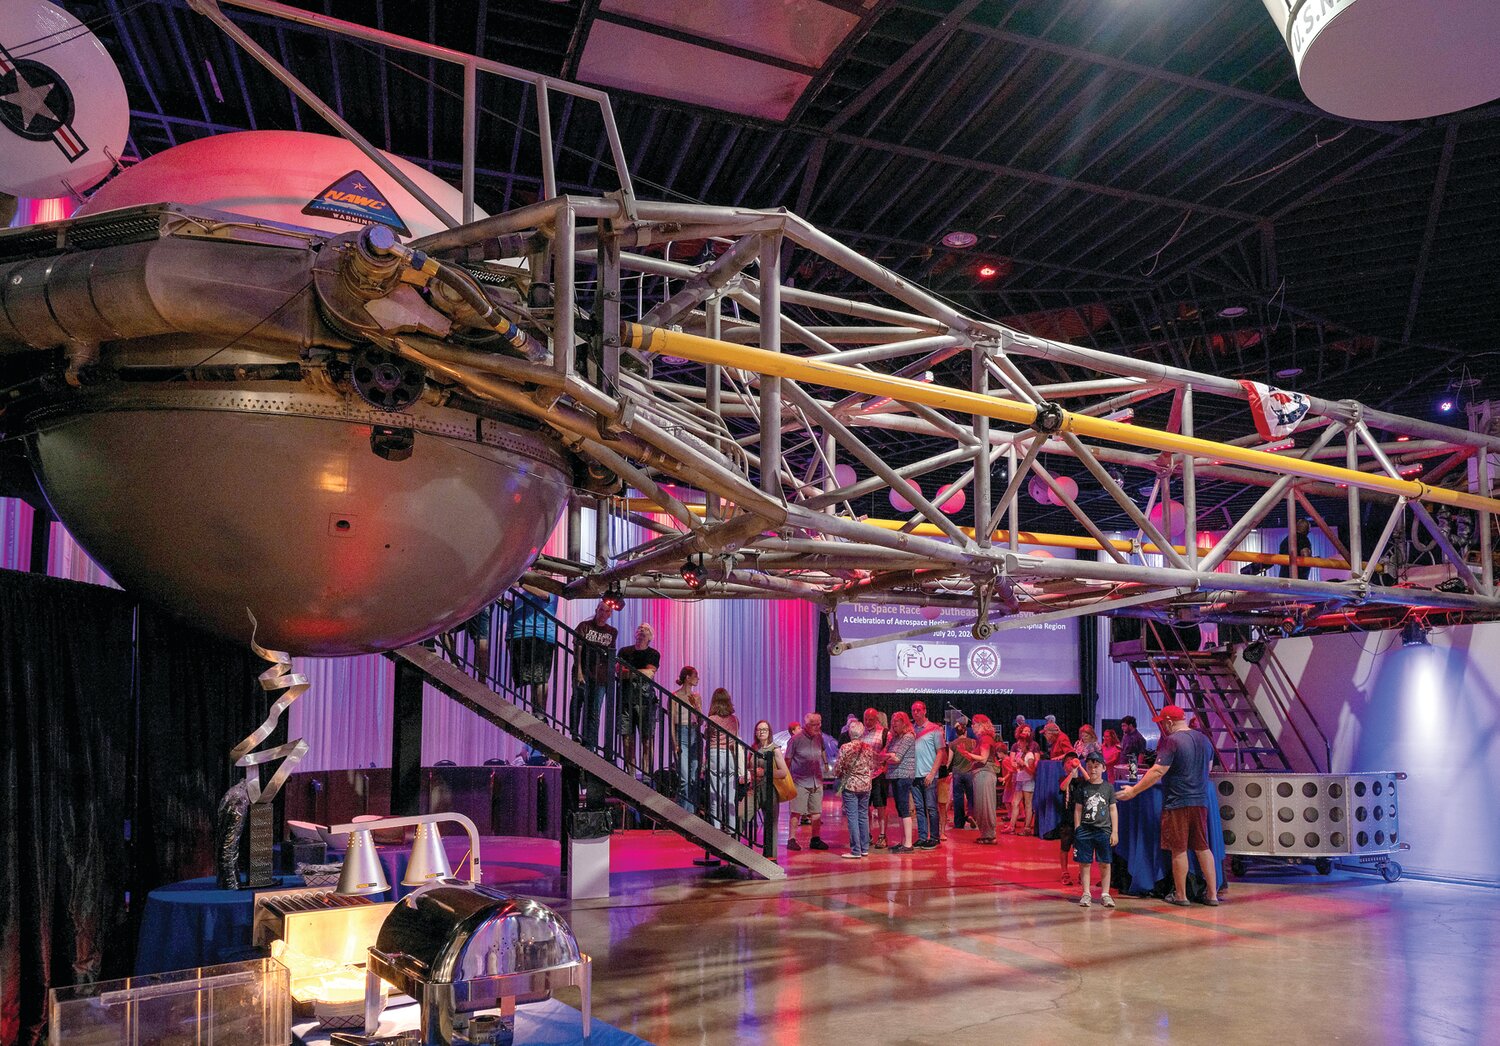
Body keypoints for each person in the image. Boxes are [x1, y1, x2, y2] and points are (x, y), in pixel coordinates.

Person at [1117, 704, 1220, 907]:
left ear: (1170, 722)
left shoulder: (1172, 741)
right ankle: (1212, 894)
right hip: (1200, 801)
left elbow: (1157, 771)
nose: (1162, 727)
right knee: (1203, 847)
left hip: (1177, 802)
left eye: (1163, 723)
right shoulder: (1205, 740)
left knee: (1178, 849)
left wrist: (1133, 790)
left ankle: (1181, 896)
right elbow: (1207, 769)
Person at [1072, 752, 1119, 908]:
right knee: (1084, 863)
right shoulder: (1082, 787)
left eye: (1096, 766)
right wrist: (1078, 828)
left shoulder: (1108, 788)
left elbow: (1113, 809)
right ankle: (1086, 893)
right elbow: (1078, 809)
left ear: (1104, 768)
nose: (1093, 770)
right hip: (1085, 830)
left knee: (1105, 862)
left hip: (1103, 831)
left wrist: (1114, 831)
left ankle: (1105, 894)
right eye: (1090, 767)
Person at [570, 601, 617, 750]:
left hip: (601, 677)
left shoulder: (612, 631)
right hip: (584, 672)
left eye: (607, 611)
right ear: (596, 610)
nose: (603, 614)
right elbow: (577, 650)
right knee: (578, 702)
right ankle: (575, 735)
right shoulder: (584, 626)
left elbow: (610, 655)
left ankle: (590, 743)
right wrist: (579, 673)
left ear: (610, 614)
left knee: (594, 710)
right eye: (601, 610)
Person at [616, 622, 661, 776]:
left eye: (646, 629)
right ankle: (631, 774)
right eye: (640, 628)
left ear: (650, 637)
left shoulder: (653, 654)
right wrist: (641, 673)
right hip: (625, 700)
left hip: (646, 701)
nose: (642, 630)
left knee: (647, 739)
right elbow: (619, 673)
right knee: (627, 738)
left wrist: (629, 672)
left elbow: (650, 674)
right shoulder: (624, 651)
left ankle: (647, 774)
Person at [507, 585, 558, 716]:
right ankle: (537, 711)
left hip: (538, 635)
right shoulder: (527, 593)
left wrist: (521, 583)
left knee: (540, 678)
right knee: (534, 678)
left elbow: (545, 595)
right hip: (523, 635)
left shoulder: (551, 588)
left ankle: (540, 712)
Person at [833, 721, 877, 859]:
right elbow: (871, 765)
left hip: (851, 785)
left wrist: (839, 774)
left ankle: (855, 850)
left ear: (850, 733)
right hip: (866, 785)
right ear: (862, 732)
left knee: (852, 817)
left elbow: (839, 767)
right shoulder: (868, 748)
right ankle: (864, 848)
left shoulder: (845, 747)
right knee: (863, 816)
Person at [785, 713, 829, 851]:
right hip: (800, 780)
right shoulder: (795, 740)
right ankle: (791, 839)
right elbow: (788, 760)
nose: (818, 727)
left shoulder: (819, 737)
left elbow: (822, 751)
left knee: (816, 811)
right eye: (815, 724)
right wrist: (787, 779)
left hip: (816, 780)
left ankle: (815, 839)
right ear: (807, 725)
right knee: (796, 811)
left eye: (819, 723)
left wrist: (826, 763)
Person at [703, 688, 744, 831]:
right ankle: (731, 829)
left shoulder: (711, 719)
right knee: (729, 796)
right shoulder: (734, 719)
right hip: (729, 755)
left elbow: (707, 737)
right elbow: (736, 738)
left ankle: (716, 828)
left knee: (715, 795)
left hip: (715, 754)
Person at [910, 701, 946, 849]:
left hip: (928, 775)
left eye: (918, 710)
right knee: (919, 808)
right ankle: (923, 836)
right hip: (914, 775)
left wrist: (932, 773)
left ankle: (935, 837)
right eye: (913, 710)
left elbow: (940, 752)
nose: (916, 713)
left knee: (931, 807)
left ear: (925, 711)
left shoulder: (935, 729)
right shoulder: (910, 730)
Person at [882, 712, 917, 853]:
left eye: (897, 721)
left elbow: (897, 758)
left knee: (904, 807)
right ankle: (903, 841)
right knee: (900, 809)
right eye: (893, 720)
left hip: (904, 775)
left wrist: (885, 758)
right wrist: (886, 756)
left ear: (904, 722)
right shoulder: (895, 738)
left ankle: (908, 844)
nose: (894, 723)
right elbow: (889, 753)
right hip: (894, 775)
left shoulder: (908, 737)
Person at [748, 719, 790, 834]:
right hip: (754, 789)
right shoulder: (753, 748)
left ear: (769, 732)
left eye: (764, 729)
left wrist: (765, 772)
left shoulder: (775, 749)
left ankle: (770, 852)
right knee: (742, 815)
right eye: (759, 729)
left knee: (771, 826)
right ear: (755, 732)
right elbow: (749, 767)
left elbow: (783, 772)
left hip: (770, 788)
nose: (762, 732)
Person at [670, 666, 702, 811]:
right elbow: (671, 722)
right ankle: (682, 813)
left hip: (695, 733)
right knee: (684, 777)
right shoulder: (675, 696)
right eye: (695, 676)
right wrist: (674, 743)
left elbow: (701, 721)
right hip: (681, 733)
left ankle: (691, 813)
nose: (698, 679)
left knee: (694, 777)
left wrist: (696, 707)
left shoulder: (697, 696)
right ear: (687, 678)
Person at [966, 715, 999, 844]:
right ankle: (986, 834)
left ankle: (989, 834)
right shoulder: (982, 739)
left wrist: (968, 754)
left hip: (984, 774)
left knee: (985, 805)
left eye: (974, 724)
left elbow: (984, 758)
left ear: (980, 725)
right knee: (982, 805)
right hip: (981, 774)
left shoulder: (985, 739)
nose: (972, 727)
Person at [861, 708, 891, 848]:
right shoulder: (860, 732)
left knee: (880, 806)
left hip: (878, 775)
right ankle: (867, 834)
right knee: (864, 806)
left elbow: (889, 752)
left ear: (877, 719)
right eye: (866, 719)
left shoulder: (885, 733)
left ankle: (882, 835)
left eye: (871, 719)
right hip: (863, 775)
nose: (868, 722)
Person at [1005, 726, 1040, 835]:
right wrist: (1017, 766)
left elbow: (1032, 771)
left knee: (1028, 804)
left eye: (1021, 741)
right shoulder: (1020, 753)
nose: (1018, 743)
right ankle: (1011, 826)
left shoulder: (1029, 755)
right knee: (1015, 802)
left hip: (1028, 780)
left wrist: (1023, 764)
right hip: (1020, 780)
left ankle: (1027, 828)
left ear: (1026, 743)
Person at [947, 717, 976, 832]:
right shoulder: (973, 742)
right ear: (966, 731)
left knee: (958, 798)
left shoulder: (953, 744)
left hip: (957, 773)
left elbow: (949, 760)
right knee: (971, 796)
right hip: (969, 772)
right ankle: (971, 815)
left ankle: (959, 822)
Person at [1057, 752, 1082, 886]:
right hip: (1067, 818)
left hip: (1081, 819)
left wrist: (1080, 768)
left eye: (1073, 761)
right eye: (1068, 762)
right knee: (1065, 846)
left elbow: (1090, 782)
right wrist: (1071, 774)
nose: (1071, 763)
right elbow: (1062, 787)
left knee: (1080, 846)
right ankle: (1064, 872)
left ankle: (1081, 872)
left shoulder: (1081, 780)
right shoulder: (1063, 778)